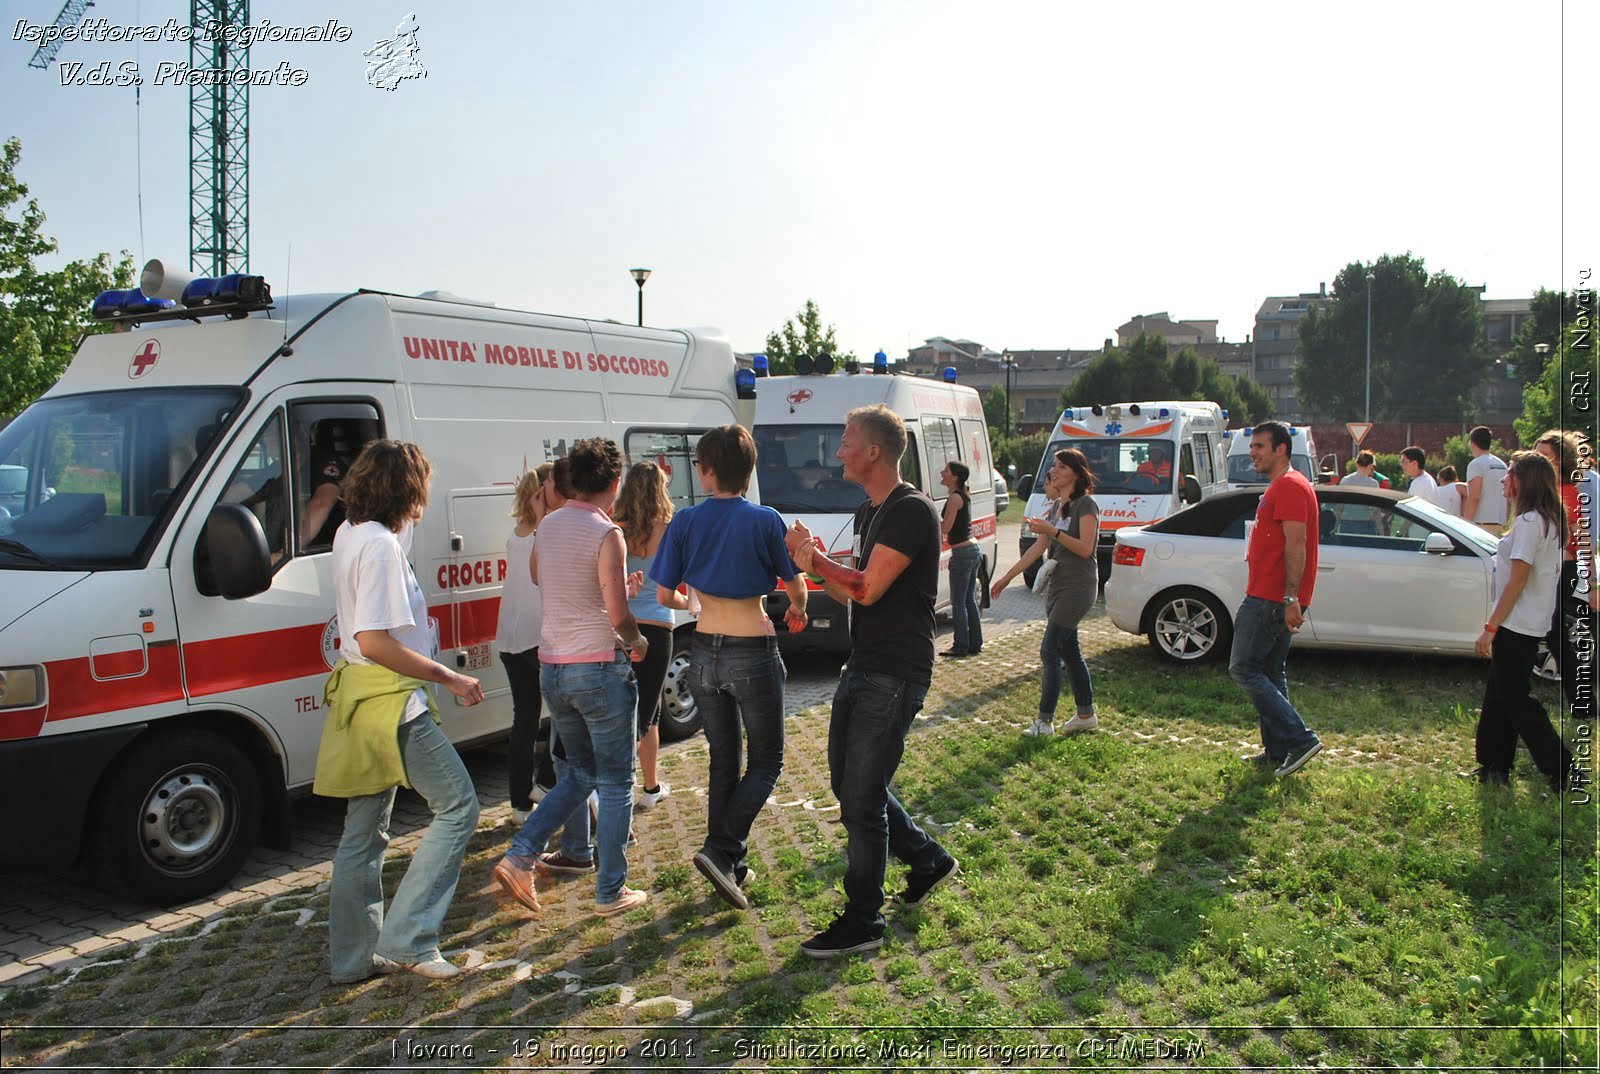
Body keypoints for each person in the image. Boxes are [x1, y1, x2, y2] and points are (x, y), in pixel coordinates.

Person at [785, 404, 959, 958]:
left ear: (874, 451)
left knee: (860, 800)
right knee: (851, 785)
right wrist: (812, 568)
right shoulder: (868, 512)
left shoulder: (913, 510)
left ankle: (864, 917)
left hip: (896, 670)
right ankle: (928, 858)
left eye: (845, 440)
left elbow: (867, 589)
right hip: (864, 663)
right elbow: (850, 589)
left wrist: (816, 560)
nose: (838, 450)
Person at [316, 440, 485, 984]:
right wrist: (450, 676)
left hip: (358, 698)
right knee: (459, 806)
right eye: (423, 488)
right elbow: (373, 639)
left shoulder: (351, 533)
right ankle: (410, 938)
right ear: (408, 491)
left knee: (363, 832)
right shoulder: (381, 547)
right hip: (392, 699)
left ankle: (354, 959)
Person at [493, 437, 651, 918]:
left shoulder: (548, 527)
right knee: (618, 781)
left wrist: (608, 591)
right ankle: (611, 890)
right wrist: (638, 642)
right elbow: (619, 616)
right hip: (599, 667)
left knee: (579, 772)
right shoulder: (609, 533)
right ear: (614, 484)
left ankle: (522, 855)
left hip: (554, 668)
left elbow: (548, 580)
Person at [651, 425, 806, 910]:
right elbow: (796, 587)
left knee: (723, 761)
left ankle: (731, 864)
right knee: (767, 761)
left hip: (702, 652)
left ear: (707, 469)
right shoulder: (766, 519)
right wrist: (798, 610)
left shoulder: (685, 522)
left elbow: (663, 596)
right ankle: (721, 852)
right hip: (751, 650)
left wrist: (697, 604)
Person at [1469, 450, 1576, 790]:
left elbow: (1518, 580)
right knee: (1498, 698)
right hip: (1524, 623)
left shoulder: (1531, 522)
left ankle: (1563, 769)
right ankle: (1494, 766)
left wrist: (1490, 628)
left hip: (1516, 625)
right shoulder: (1543, 519)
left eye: (1509, 473)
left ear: (1524, 480)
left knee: (1516, 701)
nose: (1503, 479)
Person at [1229, 421, 1323, 777]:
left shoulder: (1290, 486)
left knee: (1243, 668)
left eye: (1260, 446)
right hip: (1272, 596)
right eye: (1252, 446)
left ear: (1281, 449)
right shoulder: (1282, 487)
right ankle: (1278, 750)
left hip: (1271, 598)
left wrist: (1290, 598)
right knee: (1269, 670)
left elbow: (1296, 545)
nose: (1252, 452)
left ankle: (1300, 739)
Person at [990, 448, 1100, 737]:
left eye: (1061, 466)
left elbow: (1086, 549)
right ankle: (1086, 714)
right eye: (1053, 465)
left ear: (1075, 473)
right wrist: (1005, 577)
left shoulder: (1086, 505)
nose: (1054, 471)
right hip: (1058, 584)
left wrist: (1054, 532)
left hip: (1079, 586)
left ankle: (1044, 721)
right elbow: (1038, 549)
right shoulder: (1055, 508)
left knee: (1049, 650)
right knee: (1070, 650)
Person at [613, 461, 676, 813]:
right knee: (647, 712)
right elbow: (675, 584)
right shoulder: (668, 529)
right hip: (659, 627)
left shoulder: (615, 529)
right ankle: (647, 787)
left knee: (624, 709)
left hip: (622, 626)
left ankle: (637, 785)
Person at [497, 465, 555, 829]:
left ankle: (520, 803)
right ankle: (547, 783)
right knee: (566, 716)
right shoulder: (544, 532)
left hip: (510, 636)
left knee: (525, 720)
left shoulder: (515, 534)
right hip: (538, 634)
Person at [1534, 430, 1599, 711]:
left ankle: (1584, 701)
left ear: (1561, 460)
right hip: (1542, 569)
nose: (1538, 460)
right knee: (1552, 635)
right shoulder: (1539, 490)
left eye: (1544, 456)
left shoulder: (1567, 492)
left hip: (1562, 569)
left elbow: (1582, 539)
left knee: (1554, 635)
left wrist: (1594, 585)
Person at [938, 461, 984, 659]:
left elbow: (945, 528)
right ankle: (974, 643)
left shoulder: (955, 498)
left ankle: (960, 646)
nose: (942, 472)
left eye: (946, 471)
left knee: (958, 601)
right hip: (972, 550)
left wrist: (928, 513)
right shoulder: (961, 495)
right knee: (969, 600)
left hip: (963, 553)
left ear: (954, 477)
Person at [1463, 426, 1509, 534]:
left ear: (1472, 444)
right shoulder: (1502, 465)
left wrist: (1465, 523)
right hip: (1500, 523)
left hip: (1481, 525)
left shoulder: (1476, 464)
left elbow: (1474, 496)